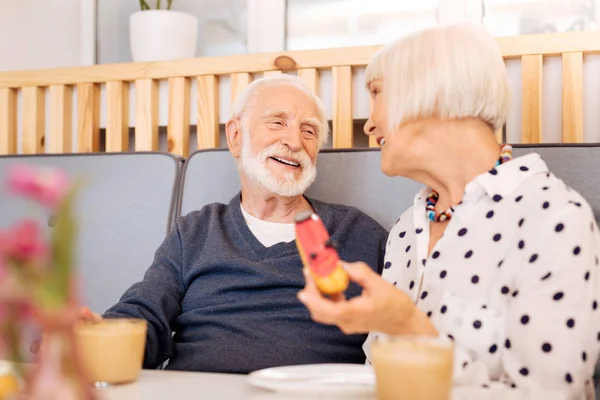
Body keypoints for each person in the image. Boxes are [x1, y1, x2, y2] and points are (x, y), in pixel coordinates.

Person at [297, 23, 600, 398]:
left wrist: (409, 326)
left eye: (377, 93)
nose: (370, 122)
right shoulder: (407, 228)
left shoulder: (554, 217)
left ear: (433, 93)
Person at [93, 75, 388, 374]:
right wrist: (94, 337)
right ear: (235, 136)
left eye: (308, 130)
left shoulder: (361, 235)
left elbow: (401, 335)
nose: (294, 141)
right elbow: (144, 316)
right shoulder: (195, 232)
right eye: (277, 122)